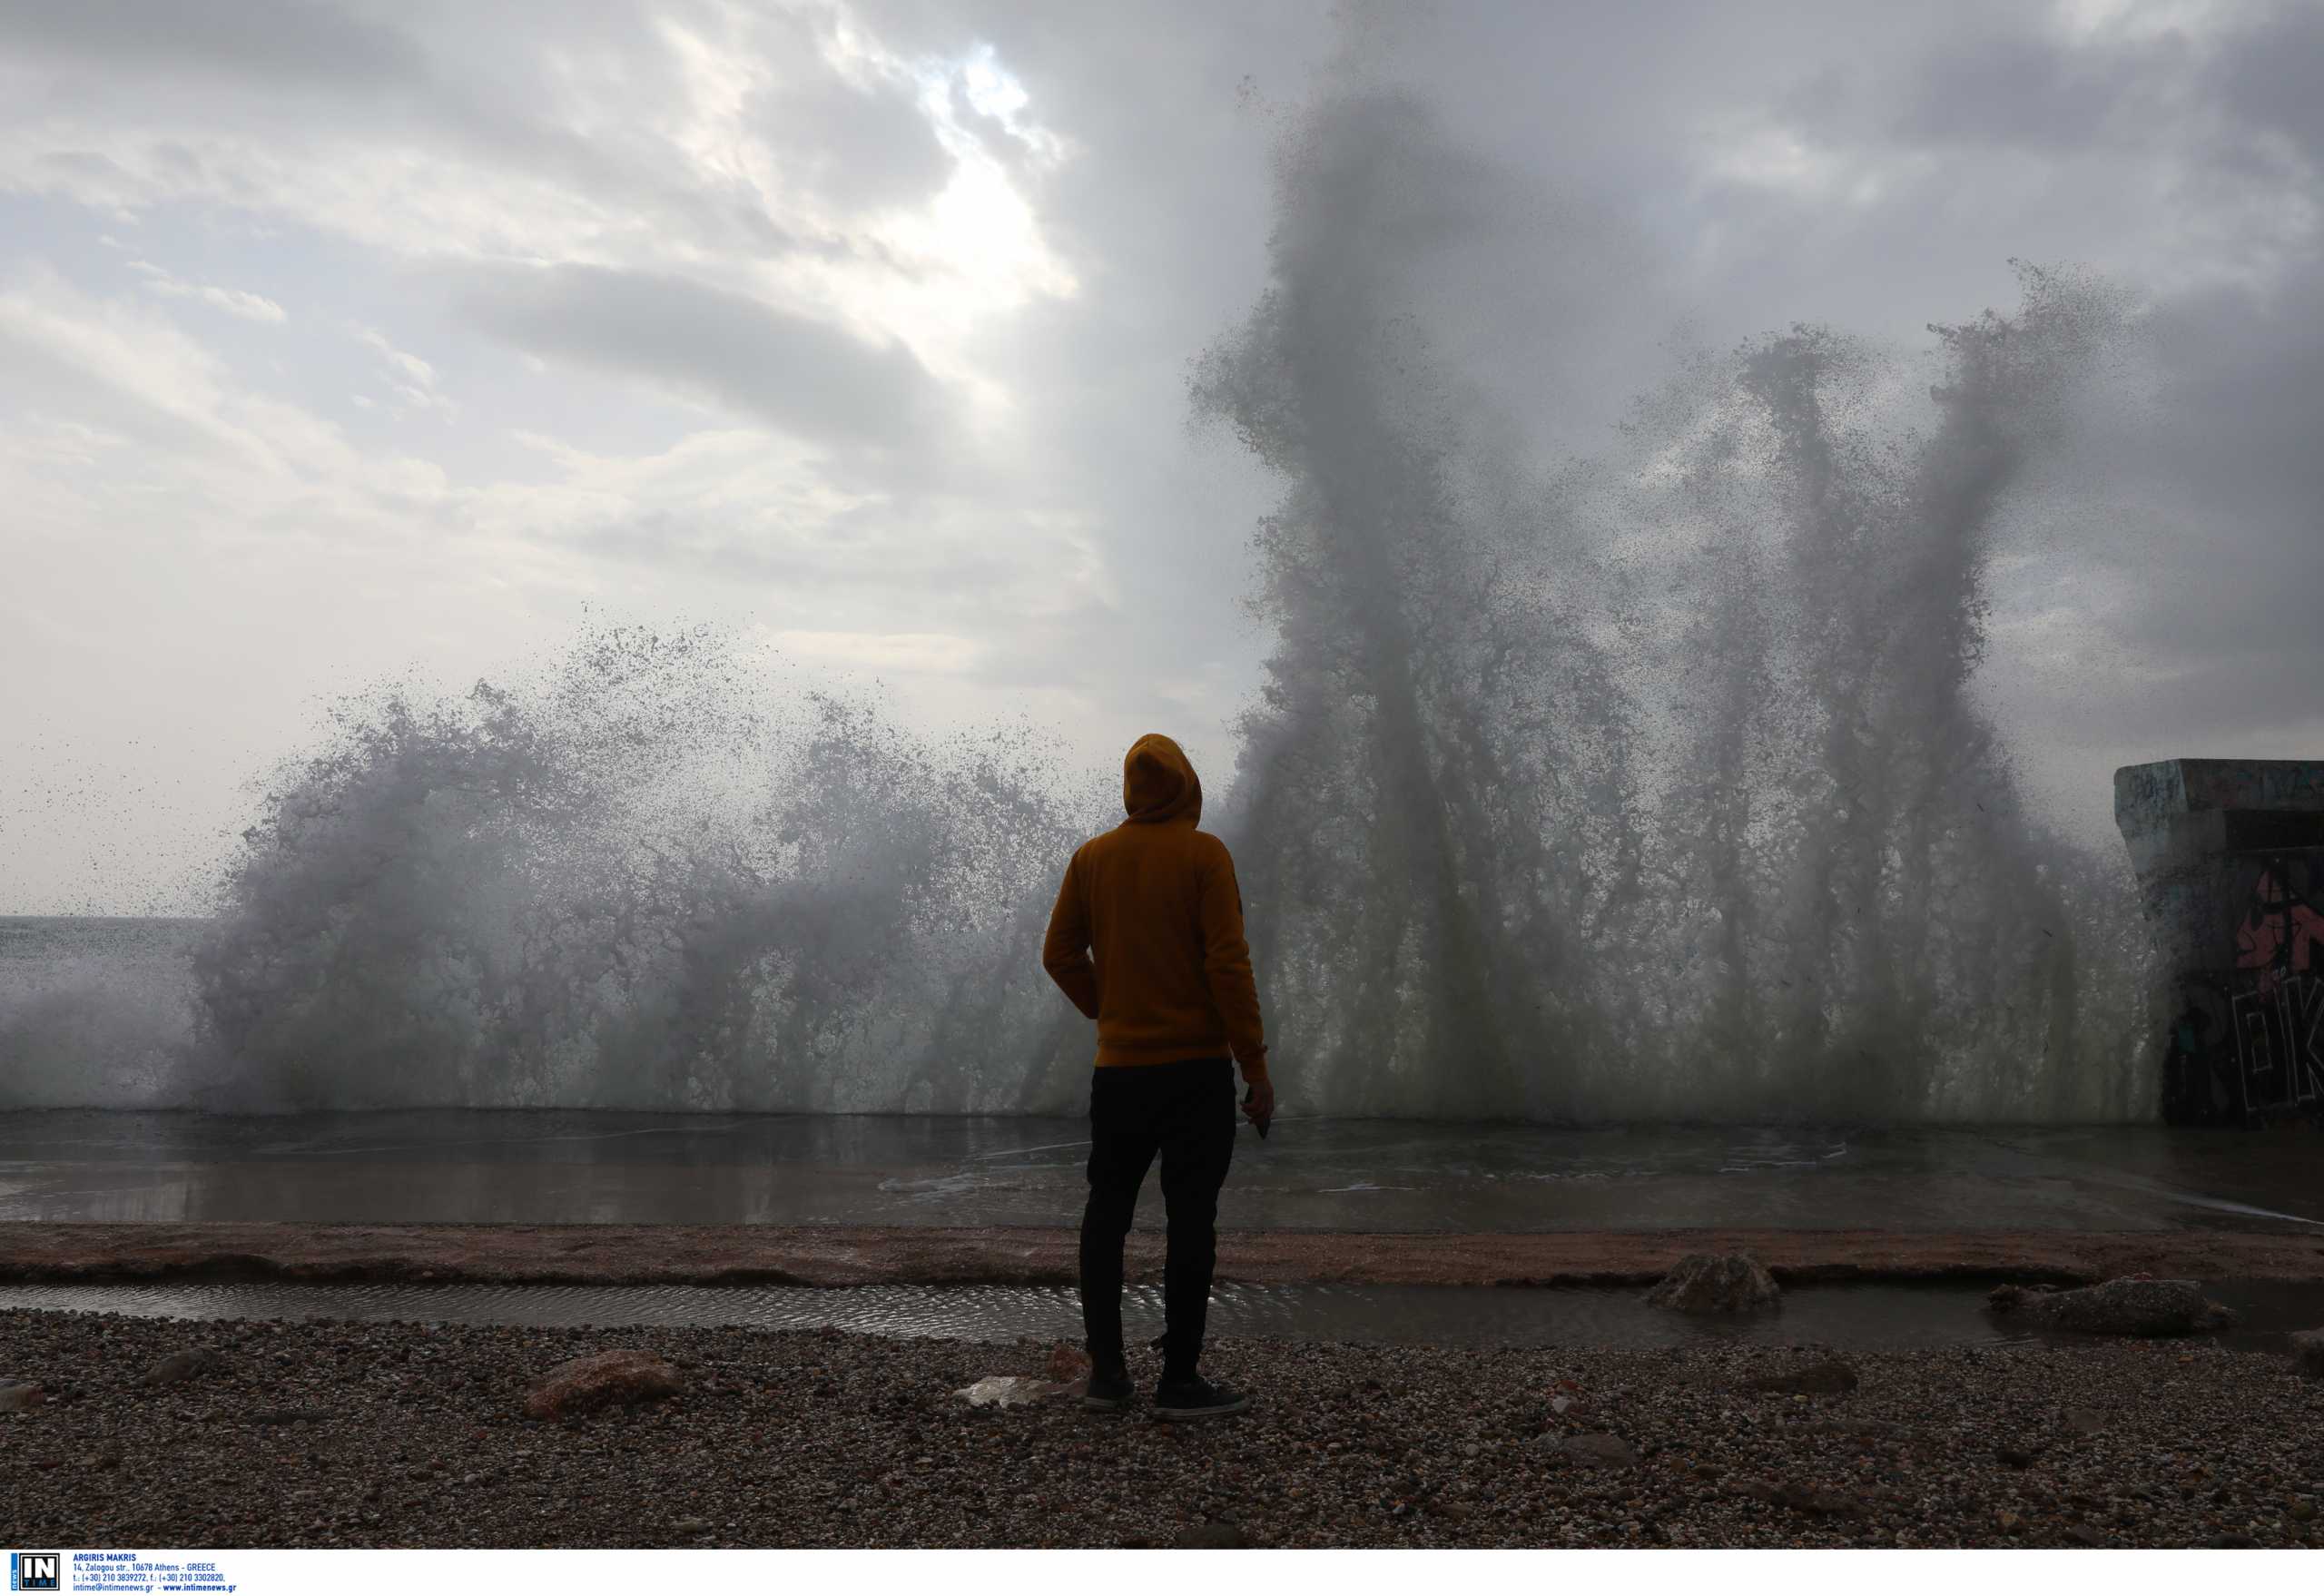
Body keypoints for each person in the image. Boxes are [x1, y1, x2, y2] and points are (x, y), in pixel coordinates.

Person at [1042, 733, 1274, 1418]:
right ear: (1187, 786)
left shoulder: (1092, 859)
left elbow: (1059, 955)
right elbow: (1227, 967)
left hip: (1120, 1074)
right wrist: (1255, 1066)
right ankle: (1179, 1381)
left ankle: (1108, 1376)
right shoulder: (1204, 854)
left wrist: (1107, 1008)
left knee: (1105, 1218)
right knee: (1191, 1221)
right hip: (1197, 1073)